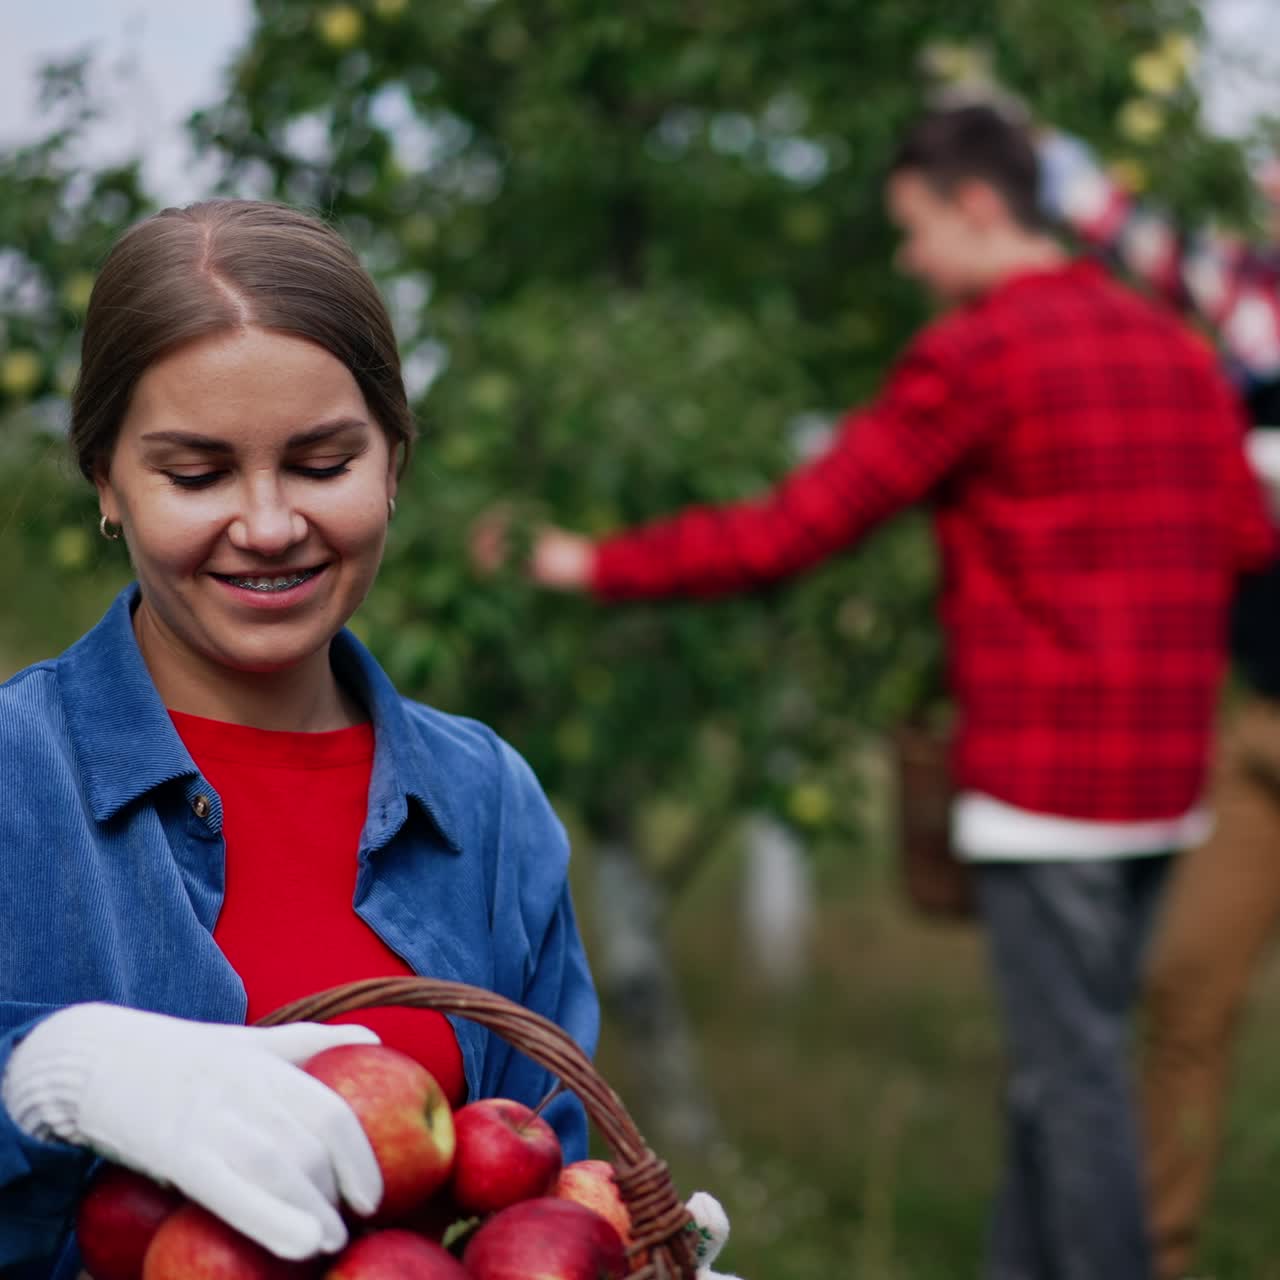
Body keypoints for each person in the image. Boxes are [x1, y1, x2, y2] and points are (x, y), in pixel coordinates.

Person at [473, 104, 1277, 1279]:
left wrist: (588, 560)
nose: (906, 259)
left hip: (1046, 790)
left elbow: (798, 526)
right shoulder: (1175, 350)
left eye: (912, 229)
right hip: (1162, 782)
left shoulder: (978, 351)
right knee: (1062, 1074)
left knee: (1075, 1082)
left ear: (977, 205)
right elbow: (1249, 538)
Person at [0, 200, 603, 1278]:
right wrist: (38, 1076)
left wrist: (608, 1239)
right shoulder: (16, 780)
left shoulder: (487, 806)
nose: (270, 524)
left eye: (323, 463)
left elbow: (548, 1180)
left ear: (393, 463)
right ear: (105, 478)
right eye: (197, 474)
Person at [1039, 125, 1280, 1280]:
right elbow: (1118, 225)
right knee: (1181, 997)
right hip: (1254, 729)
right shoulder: (1245, 300)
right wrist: (1014, 132)